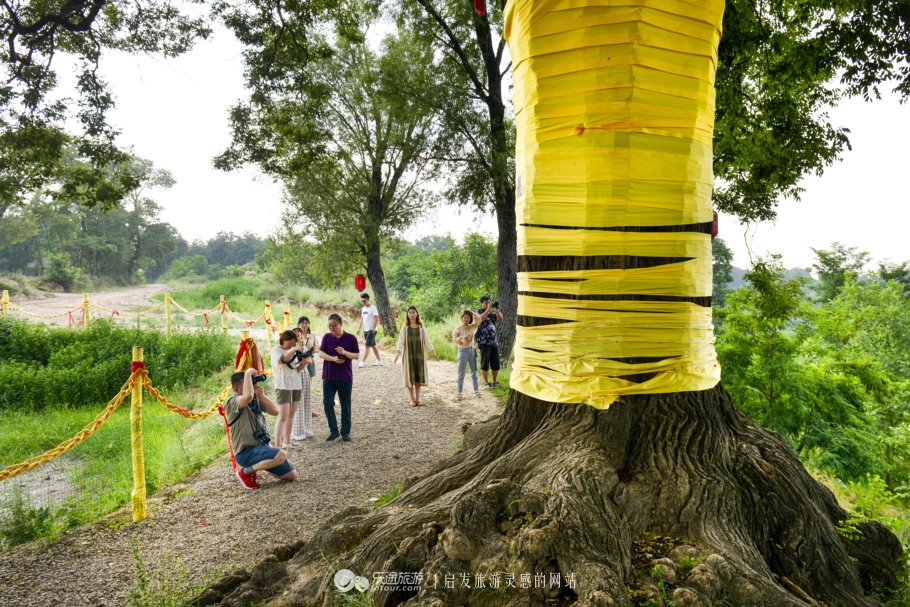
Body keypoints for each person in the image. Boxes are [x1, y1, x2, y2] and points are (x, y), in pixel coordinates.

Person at [225, 368, 297, 489]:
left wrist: (261, 395)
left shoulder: (255, 398)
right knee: (281, 454)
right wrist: (248, 373)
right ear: (237, 389)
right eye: (248, 383)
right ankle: (245, 472)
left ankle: (262, 463)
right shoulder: (231, 403)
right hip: (245, 452)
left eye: (252, 382)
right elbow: (247, 396)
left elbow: (275, 411)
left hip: (261, 448)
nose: (252, 386)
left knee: (291, 475)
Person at [318, 313, 360, 442]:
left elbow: (357, 355)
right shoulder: (326, 337)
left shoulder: (351, 338)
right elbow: (320, 353)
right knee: (327, 403)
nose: (332, 328)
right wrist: (333, 359)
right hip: (329, 376)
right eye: (329, 325)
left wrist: (344, 353)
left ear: (341, 324)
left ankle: (345, 432)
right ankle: (334, 431)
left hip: (345, 377)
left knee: (345, 404)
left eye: (334, 325)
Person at [271, 329, 310, 449]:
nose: (291, 345)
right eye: (289, 343)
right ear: (283, 340)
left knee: (291, 413)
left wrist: (304, 363)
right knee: (283, 415)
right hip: (283, 385)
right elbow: (282, 360)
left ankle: (287, 441)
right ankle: (277, 446)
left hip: (296, 384)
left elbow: (296, 369)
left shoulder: (292, 350)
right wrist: (293, 350)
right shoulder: (276, 350)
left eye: (293, 343)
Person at [393, 306, 439, 406]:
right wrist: (397, 353)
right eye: (410, 313)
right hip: (408, 355)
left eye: (413, 312)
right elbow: (400, 341)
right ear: (407, 315)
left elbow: (427, 339)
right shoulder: (405, 327)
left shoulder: (421, 326)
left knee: (418, 376)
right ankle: (412, 399)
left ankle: (418, 399)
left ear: (416, 314)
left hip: (419, 354)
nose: (412, 315)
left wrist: (433, 352)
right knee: (409, 376)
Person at [291, 319, 319, 440]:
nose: (298, 334)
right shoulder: (289, 349)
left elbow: (309, 360)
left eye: (298, 333)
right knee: (298, 402)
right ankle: (297, 431)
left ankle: (307, 429)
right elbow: (295, 367)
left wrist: (304, 362)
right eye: (295, 333)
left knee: (307, 401)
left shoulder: (303, 346)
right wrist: (303, 363)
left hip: (305, 374)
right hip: (296, 376)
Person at [452, 309, 483, 400]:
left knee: (474, 372)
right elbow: (454, 340)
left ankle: (476, 390)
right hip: (462, 351)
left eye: (468, 318)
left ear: (470, 319)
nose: (466, 319)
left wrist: (471, 312)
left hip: (472, 350)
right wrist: (462, 338)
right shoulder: (457, 329)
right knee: (461, 373)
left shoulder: (472, 327)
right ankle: (459, 392)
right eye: (464, 317)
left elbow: (479, 319)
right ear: (462, 318)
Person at [476, 296, 504, 388]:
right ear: (482, 303)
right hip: (484, 342)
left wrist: (497, 311)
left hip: (494, 342)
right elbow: (480, 319)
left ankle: (495, 382)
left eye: (489, 302)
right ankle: (487, 383)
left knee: (495, 363)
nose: (488, 304)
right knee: (485, 363)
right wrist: (488, 309)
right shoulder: (478, 312)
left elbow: (500, 318)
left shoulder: (492, 314)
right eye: (486, 302)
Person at [356, 293, 383, 367]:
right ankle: (379, 361)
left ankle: (362, 362)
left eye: (364, 301)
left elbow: (376, 318)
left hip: (371, 330)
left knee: (367, 345)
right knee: (373, 345)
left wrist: (374, 329)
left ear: (368, 300)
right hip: (366, 330)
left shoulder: (373, 308)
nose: (363, 302)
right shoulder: (363, 309)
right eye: (362, 301)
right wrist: (359, 328)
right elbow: (362, 319)